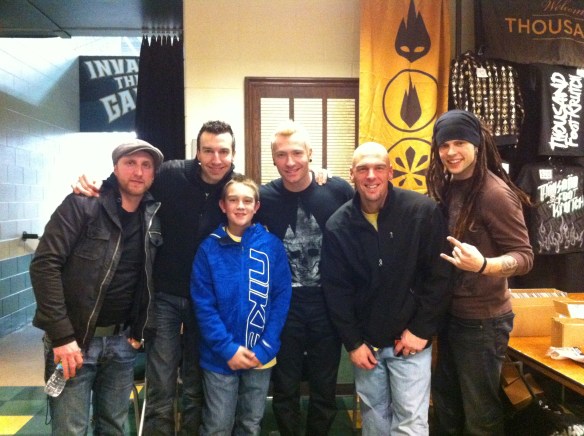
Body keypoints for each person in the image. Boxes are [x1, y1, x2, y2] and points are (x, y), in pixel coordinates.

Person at [75, 120, 237, 435]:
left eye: (223, 151)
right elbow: (129, 183)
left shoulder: (236, 189)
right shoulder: (170, 174)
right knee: (161, 385)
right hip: (163, 297)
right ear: (197, 152)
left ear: (233, 154)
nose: (216, 159)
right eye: (208, 151)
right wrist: (96, 184)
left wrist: (320, 177)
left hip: (207, 302)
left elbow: (267, 201)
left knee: (196, 385)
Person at [30, 140, 164, 435]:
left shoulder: (153, 216)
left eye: (146, 165)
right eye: (130, 163)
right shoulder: (82, 204)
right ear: (115, 168)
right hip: (74, 342)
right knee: (71, 429)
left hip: (122, 343)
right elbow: (44, 265)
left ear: (154, 174)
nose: (138, 172)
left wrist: (139, 329)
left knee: (114, 427)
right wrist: (62, 336)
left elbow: (149, 279)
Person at [321, 142, 452, 435]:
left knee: (410, 421)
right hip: (366, 346)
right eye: (363, 169)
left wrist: (421, 330)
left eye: (378, 167)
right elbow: (336, 291)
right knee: (374, 418)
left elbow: (440, 276)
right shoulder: (338, 225)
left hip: (411, 342)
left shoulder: (421, 212)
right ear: (352, 174)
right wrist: (353, 343)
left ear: (390, 172)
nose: (371, 176)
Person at [427, 109, 534, 435]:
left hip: (483, 323)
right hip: (450, 316)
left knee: (480, 415)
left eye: (459, 142)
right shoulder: (449, 185)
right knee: (447, 405)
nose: (451, 152)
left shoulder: (494, 193)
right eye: (444, 145)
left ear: (476, 144)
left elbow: (524, 257)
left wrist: (484, 265)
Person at [257, 120, 354, 435]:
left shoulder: (337, 190)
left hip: (328, 305)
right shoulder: (263, 198)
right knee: (285, 386)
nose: (290, 162)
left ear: (310, 154)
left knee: (324, 386)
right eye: (281, 154)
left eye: (297, 153)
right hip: (283, 307)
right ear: (273, 159)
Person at [191, 175, 292, 435]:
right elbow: (204, 306)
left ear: (256, 206)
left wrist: (266, 346)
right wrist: (227, 349)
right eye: (233, 200)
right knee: (217, 426)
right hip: (220, 357)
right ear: (222, 205)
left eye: (247, 201)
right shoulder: (208, 249)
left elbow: (281, 297)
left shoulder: (271, 245)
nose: (240, 206)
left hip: (261, 356)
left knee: (250, 424)